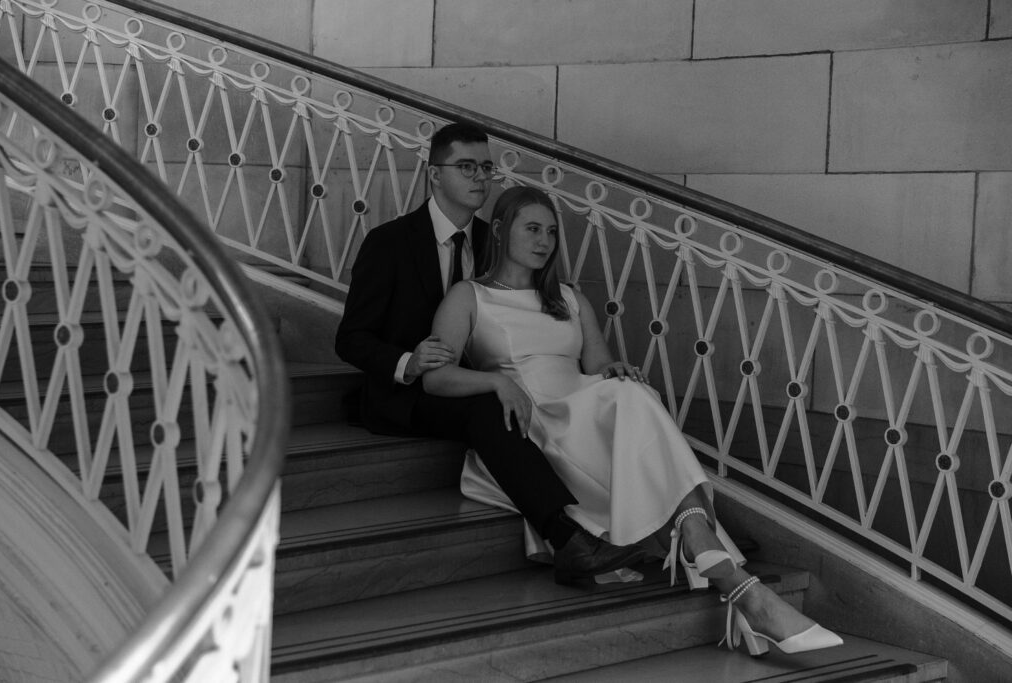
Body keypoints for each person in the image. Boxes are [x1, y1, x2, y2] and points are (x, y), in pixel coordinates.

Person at [422, 185, 844, 656]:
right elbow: (436, 378)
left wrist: (615, 371)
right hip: (535, 417)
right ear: (499, 230)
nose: (544, 241)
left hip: (583, 404)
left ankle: (716, 561)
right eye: (533, 229)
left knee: (630, 389)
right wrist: (496, 383)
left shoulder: (568, 297)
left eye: (552, 232)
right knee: (628, 402)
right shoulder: (470, 296)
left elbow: (599, 365)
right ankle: (725, 569)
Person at [335, 122, 647, 586]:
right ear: (434, 174)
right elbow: (351, 338)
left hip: (483, 383)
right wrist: (408, 362)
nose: (480, 177)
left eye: (486, 167)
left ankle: (659, 523)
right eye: (466, 166)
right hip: (411, 393)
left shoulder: (495, 240)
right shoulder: (389, 242)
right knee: (488, 405)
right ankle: (569, 539)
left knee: (565, 403)